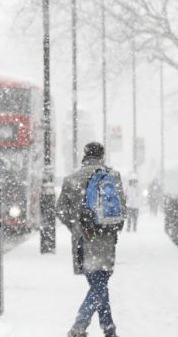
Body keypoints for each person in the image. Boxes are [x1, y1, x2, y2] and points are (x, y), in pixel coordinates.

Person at [57, 141, 126, 337]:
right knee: (100, 284)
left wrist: (77, 227)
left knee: (97, 284)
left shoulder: (71, 180)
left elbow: (60, 209)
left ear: (84, 155)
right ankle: (81, 327)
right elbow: (123, 208)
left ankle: (108, 328)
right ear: (102, 156)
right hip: (106, 240)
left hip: (83, 240)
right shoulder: (112, 176)